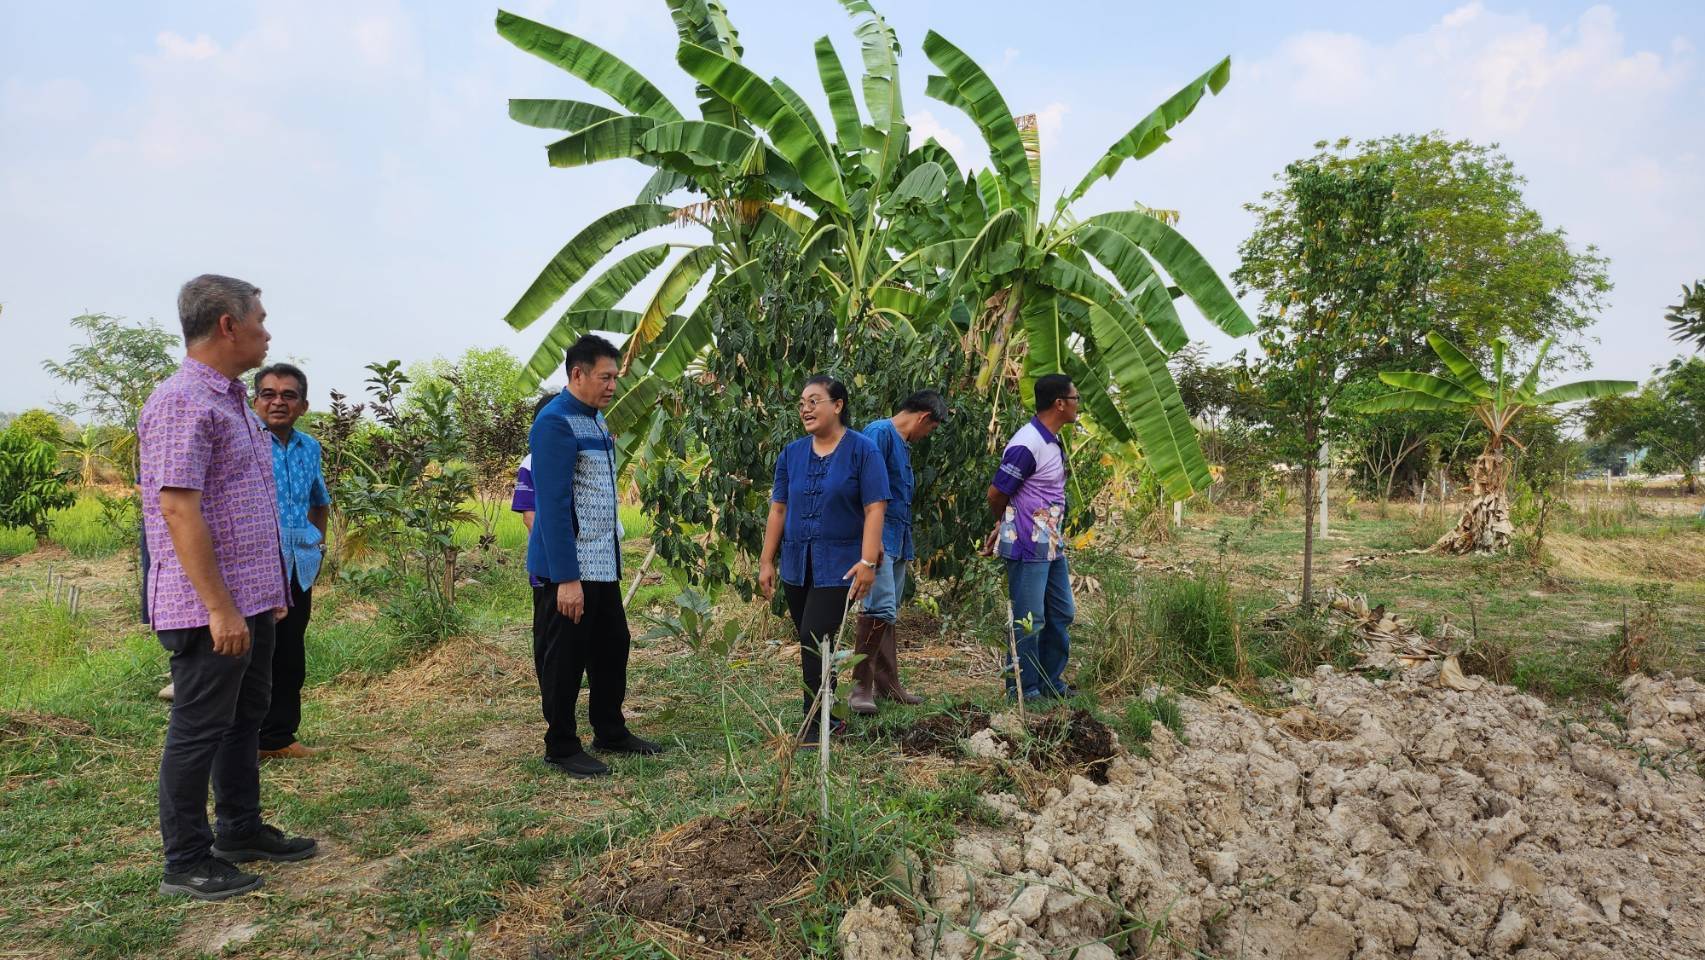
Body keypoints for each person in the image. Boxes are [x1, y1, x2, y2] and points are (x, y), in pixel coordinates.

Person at [140, 274, 317, 901]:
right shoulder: (183, 402)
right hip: (209, 608)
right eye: (260, 320)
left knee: (246, 717)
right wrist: (220, 608)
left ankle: (239, 829)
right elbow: (179, 510)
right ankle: (186, 858)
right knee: (199, 727)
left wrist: (263, 599)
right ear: (228, 325)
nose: (268, 331)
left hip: (253, 599)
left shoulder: (232, 399)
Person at [527, 336, 660, 778]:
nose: (612, 387)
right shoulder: (554, 423)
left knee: (611, 647)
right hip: (570, 569)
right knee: (564, 657)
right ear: (577, 374)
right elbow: (552, 503)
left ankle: (610, 728)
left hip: (603, 563)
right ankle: (561, 744)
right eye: (605, 377)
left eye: (615, 378)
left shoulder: (596, 422)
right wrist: (566, 578)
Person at [759, 375, 889, 746]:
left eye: (815, 400)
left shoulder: (864, 451)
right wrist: (767, 561)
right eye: (802, 402)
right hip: (798, 564)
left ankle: (815, 724)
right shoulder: (791, 454)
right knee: (817, 644)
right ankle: (829, 715)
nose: (805, 408)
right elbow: (779, 509)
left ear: (838, 405)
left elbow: (875, 506)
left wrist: (868, 562)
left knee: (813, 636)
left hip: (841, 563)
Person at [850, 390, 948, 714]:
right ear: (923, 418)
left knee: (887, 611)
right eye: (931, 429)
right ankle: (859, 688)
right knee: (878, 607)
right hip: (879, 539)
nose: (928, 435)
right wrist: (870, 539)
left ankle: (888, 685)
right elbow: (861, 484)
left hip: (897, 538)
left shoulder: (902, 446)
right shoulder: (880, 433)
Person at [252, 362, 330, 760]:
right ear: (255, 401)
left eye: (288, 395)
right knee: (250, 657)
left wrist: (317, 546)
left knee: (289, 655)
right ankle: (241, 739)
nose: (278, 402)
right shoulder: (242, 441)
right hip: (252, 568)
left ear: (303, 405)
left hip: (298, 567)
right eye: (269, 394)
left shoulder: (309, 448)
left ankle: (278, 738)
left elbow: (320, 501)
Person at [987, 373, 1080, 701]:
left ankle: (1049, 681)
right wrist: (1005, 524)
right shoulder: (1027, 443)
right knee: (1030, 619)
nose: (1077, 405)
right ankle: (1024, 690)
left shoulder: (1050, 440)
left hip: (1051, 543)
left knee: (1062, 611)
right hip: (1028, 545)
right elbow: (997, 493)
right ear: (1059, 404)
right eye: (1075, 399)